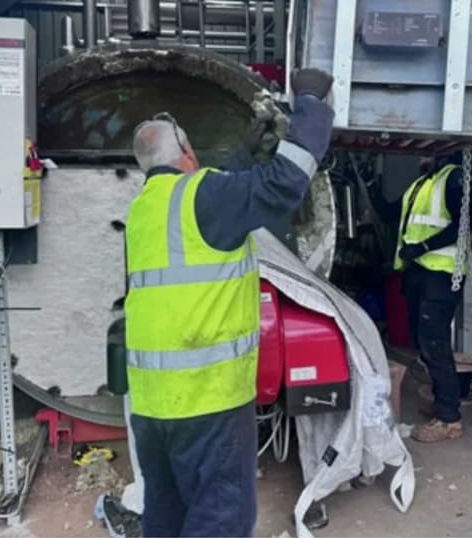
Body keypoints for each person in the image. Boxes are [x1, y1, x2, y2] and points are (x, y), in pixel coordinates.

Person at [124, 69, 335, 537]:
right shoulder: (206, 196)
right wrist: (312, 103)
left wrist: (245, 154)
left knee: (167, 513)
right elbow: (286, 181)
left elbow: (211, 205)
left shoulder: (143, 211)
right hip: (209, 401)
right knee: (220, 517)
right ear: (188, 154)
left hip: (153, 407)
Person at [370, 154, 467, 443]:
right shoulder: (421, 185)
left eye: (429, 151)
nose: (422, 157)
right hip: (419, 273)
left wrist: (423, 245)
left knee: (435, 344)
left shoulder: (453, 178)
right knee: (423, 343)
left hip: (440, 274)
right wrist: (371, 188)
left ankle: (450, 418)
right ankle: (442, 403)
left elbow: (462, 225)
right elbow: (390, 213)